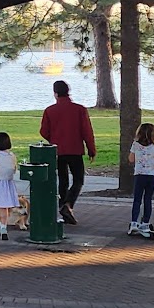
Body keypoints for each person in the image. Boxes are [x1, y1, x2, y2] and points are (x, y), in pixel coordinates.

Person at [39, 79, 95, 225]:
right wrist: (91, 149)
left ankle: (63, 206)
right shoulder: (80, 109)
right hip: (75, 149)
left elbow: (44, 131)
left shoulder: (50, 111)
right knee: (78, 179)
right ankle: (68, 204)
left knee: (63, 180)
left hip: (58, 150)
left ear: (55, 93)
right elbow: (87, 131)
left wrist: (53, 138)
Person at [127, 123, 154, 239]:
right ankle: (145, 223)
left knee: (137, 199)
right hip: (152, 175)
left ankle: (134, 222)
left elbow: (131, 159)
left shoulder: (136, 145)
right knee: (148, 199)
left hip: (139, 175)